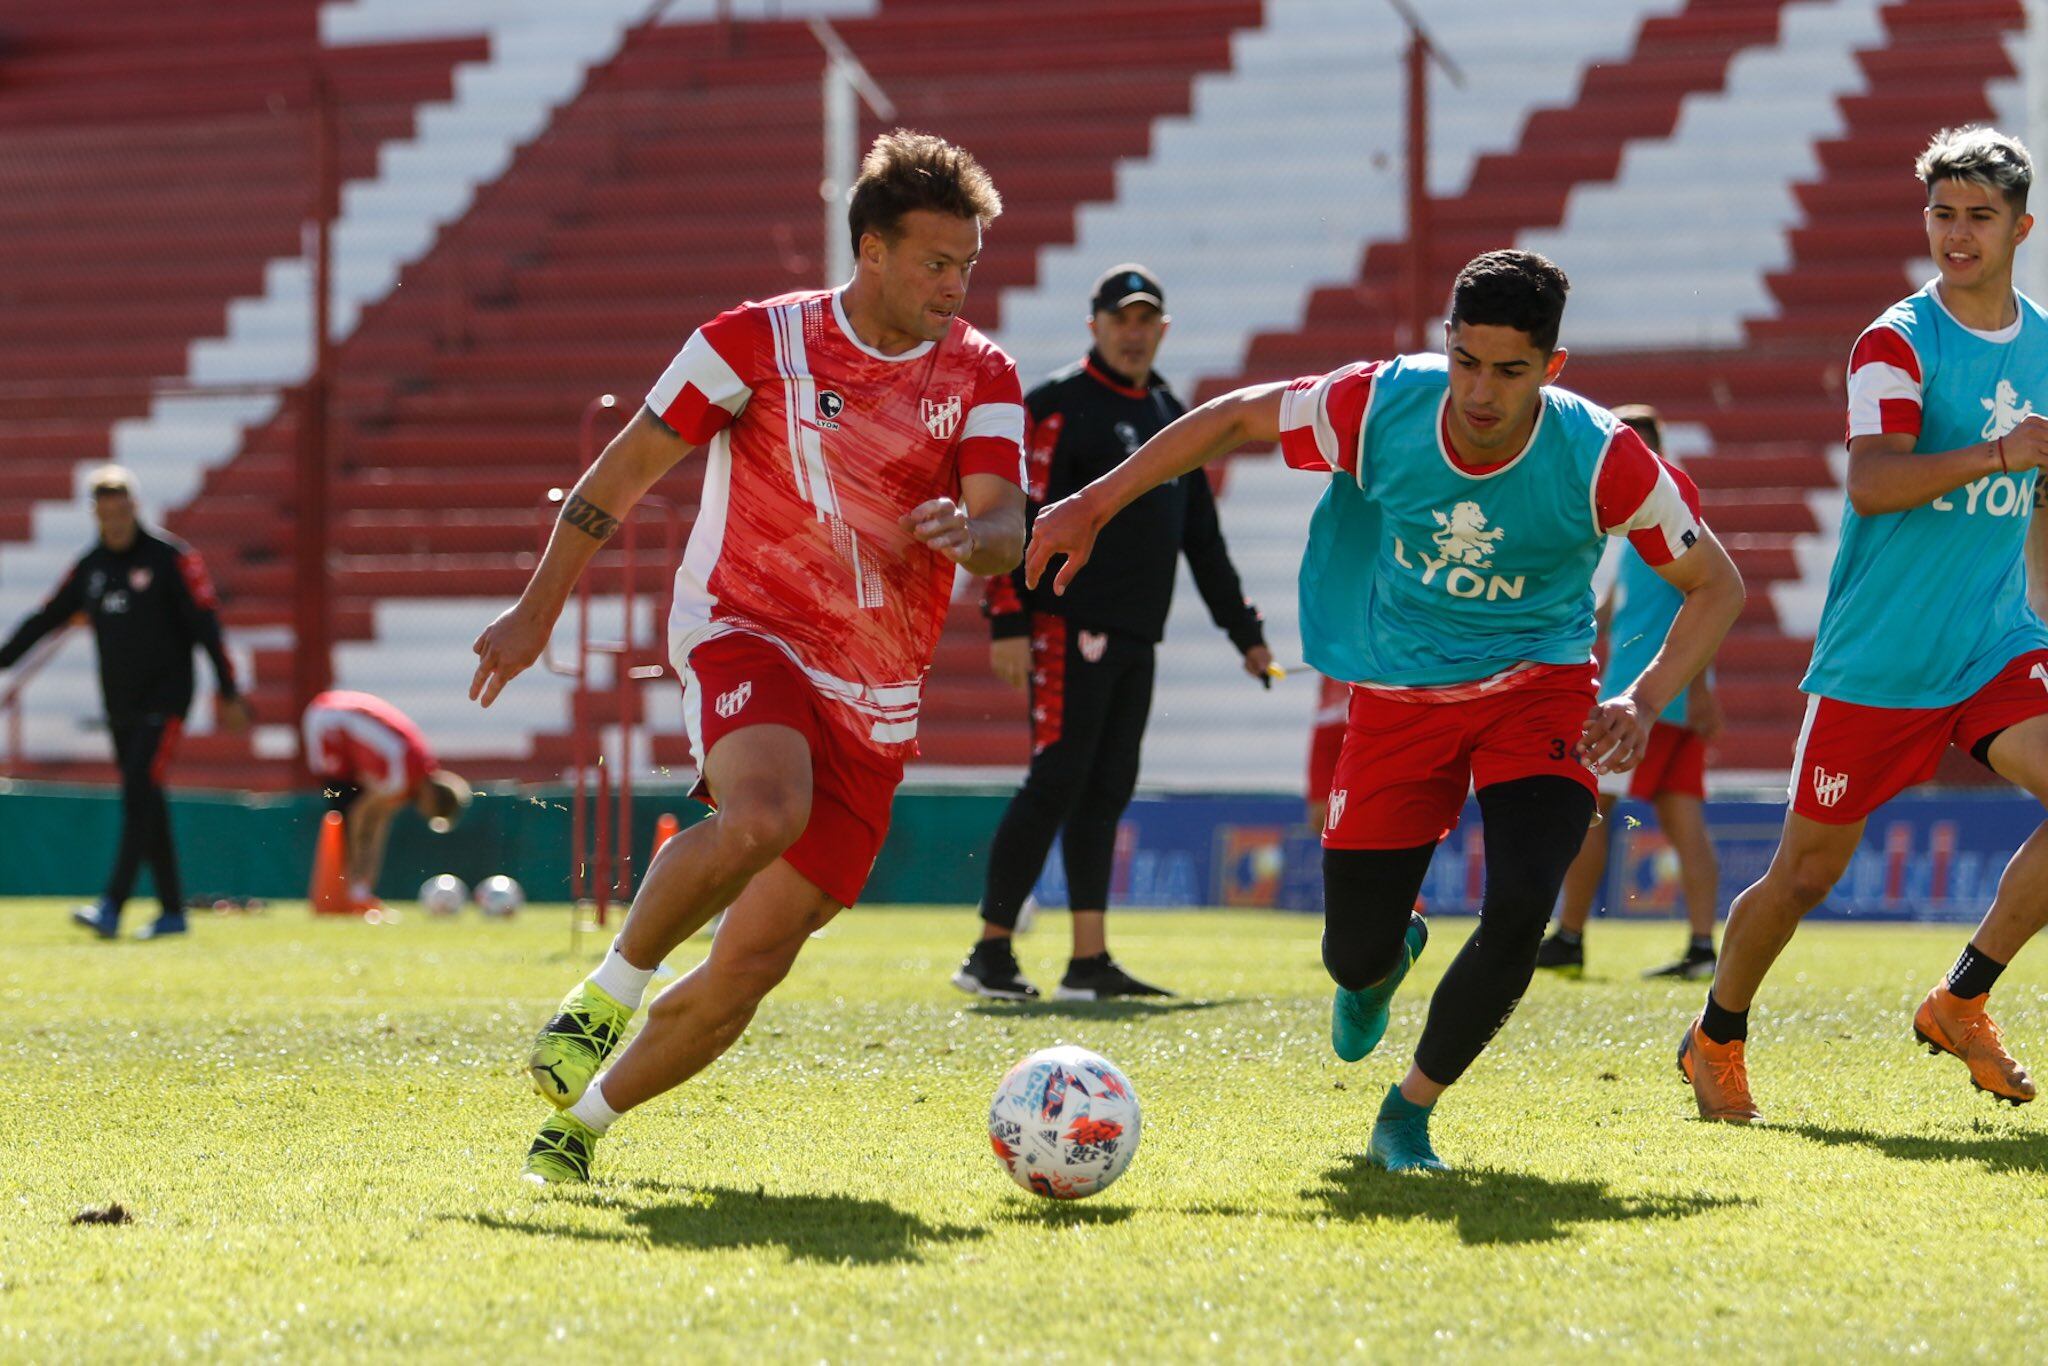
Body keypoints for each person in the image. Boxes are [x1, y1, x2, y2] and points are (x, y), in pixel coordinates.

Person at [1027, 250, 1744, 1171]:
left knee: (1524, 903)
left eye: (1510, 371)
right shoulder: (1379, 403)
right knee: (1353, 956)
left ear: (1551, 369)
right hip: (1399, 695)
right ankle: (1384, 953)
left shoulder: (1603, 457)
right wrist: (1093, 503)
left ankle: (1409, 1112)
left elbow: (1715, 585)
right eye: (1466, 362)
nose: (1481, 393)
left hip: (1542, 687)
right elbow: (1234, 418)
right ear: (1445, 345)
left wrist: (1643, 696)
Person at [469, 130, 1027, 1184]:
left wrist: (975, 531)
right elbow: (626, 467)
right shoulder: (751, 341)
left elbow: (1008, 524)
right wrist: (538, 608)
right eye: (935, 262)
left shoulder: (982, 374)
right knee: (765, 810)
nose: (955, 286)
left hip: (877, 689)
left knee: (754, 963)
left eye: (967, 266)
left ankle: (577, 1127)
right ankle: (604, 994)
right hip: (746, 628)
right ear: (871, 249)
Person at [1683, 126, 2048, 1123]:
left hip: (1990, 643)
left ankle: (1961, 997)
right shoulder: (1893, 339)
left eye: (1978, 216)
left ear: (2019, 225)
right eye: (1941, 214)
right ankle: (1713, 1033)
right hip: (1879, 658)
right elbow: (1873, 481)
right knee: (1800, 875)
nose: (1957, 234)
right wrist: (2000, 455)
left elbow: (2042, 497)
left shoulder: (2046, 345)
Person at [954, 264, 1272, 1002]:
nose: (1133, 332)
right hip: (1067, 624)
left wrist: (1245, 633)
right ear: (1093, 324)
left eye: (1145, 320)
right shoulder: (1061, 405)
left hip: (1136, 632)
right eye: (1120, 318)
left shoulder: (1171, 412)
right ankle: (991, 951)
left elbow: (1204, 539)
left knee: (1106, 788)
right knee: (1058, 777)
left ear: (1162, 331)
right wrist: (1007, 617)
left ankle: (1087, 961)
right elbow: (1013, 513)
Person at [0, 465, 248, 939]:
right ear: (95, 513)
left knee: (137, 790)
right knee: (146, 799)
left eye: (121, 510)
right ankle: (173, 911)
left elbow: (206, 625)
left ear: (134, 508)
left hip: (166, 698)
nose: (113, 521)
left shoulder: (171, 558)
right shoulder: (90, 566)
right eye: (104, 512)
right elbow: (46, 616)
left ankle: (111, 905)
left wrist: (228, 689)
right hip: (120, 703)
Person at [1538, 405, 1723, 980]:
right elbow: (1614, 610)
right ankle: (1700, 948)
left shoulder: (1664, 525)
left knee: (1589, 811)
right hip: (1663, 700)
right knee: (1683, 822)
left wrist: (1696, 693)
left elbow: (1703, 603)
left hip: (1641, 701)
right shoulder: (1649, 527)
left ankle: (1569, 936)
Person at [302, 689, 471, 909]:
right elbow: (361, 815)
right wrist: (358, 868)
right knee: (342, 810)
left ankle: (354, 893)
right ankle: (342, 894)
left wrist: (365, 881)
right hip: (328, 718)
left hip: (336, 714)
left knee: (358, 815)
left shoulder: (415, 772)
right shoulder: (400, 778)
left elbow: (380, 821)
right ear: (431, 798)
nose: (421, 812)